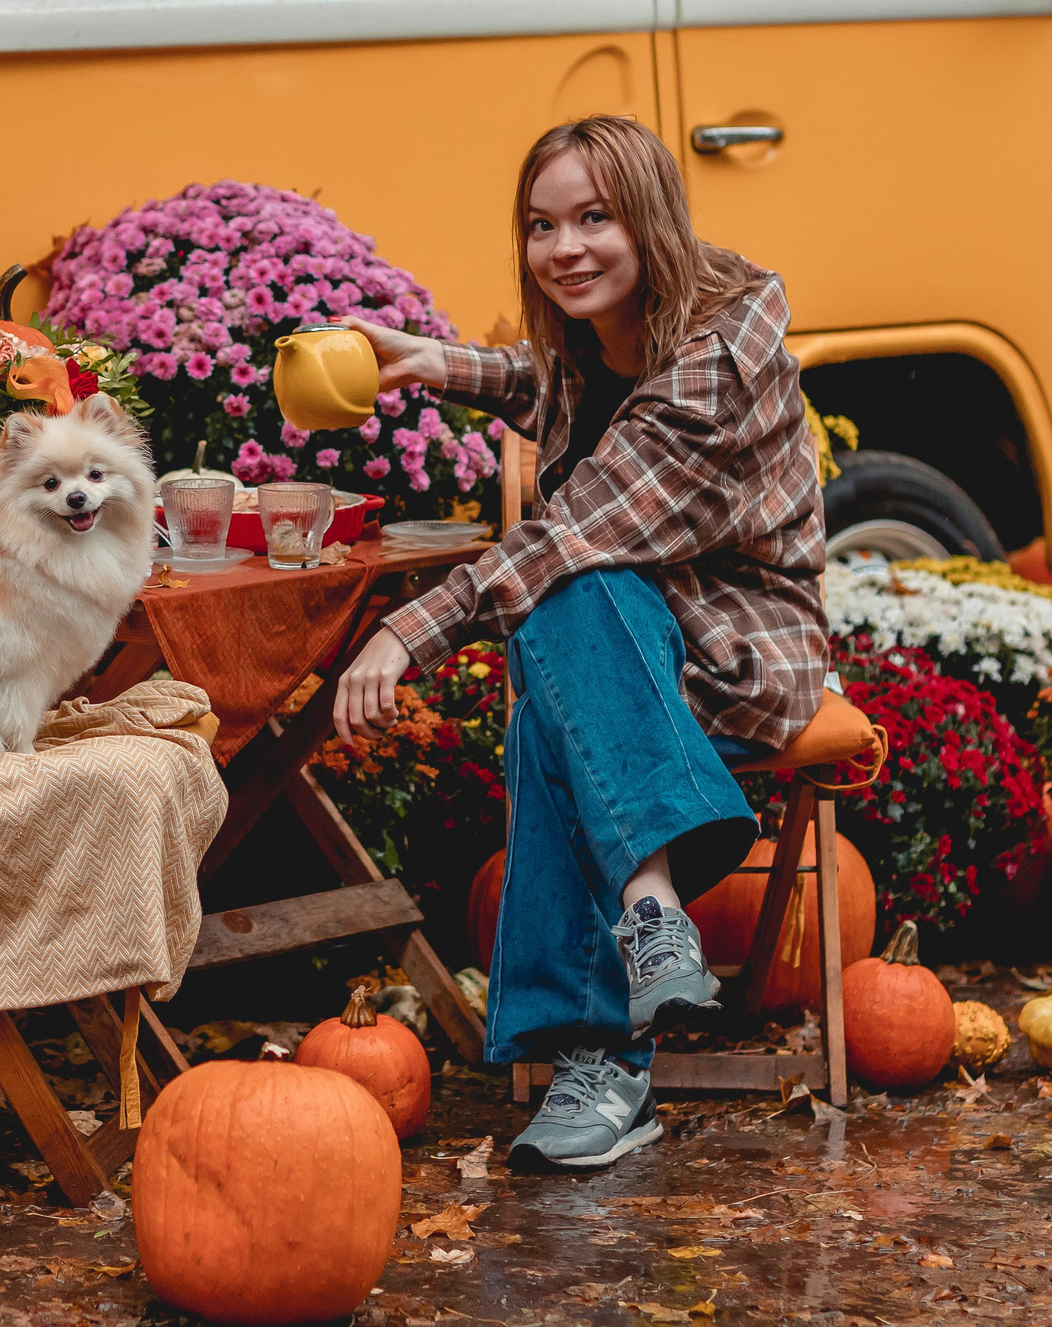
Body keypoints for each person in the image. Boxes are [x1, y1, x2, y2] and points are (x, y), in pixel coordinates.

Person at [332, 114, 829, 1171]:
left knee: (560, 607)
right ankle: (649, 938)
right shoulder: (610, 330)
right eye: (541, 225)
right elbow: (550, 381)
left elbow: (575, 528)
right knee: (568, 618)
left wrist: (406, 634)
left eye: (594, 218)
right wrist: (434, 363)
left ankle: (601, 1053)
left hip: (738, 645)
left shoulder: (712, 372)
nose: (565, 249)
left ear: (650, 220)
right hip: (631, 640)